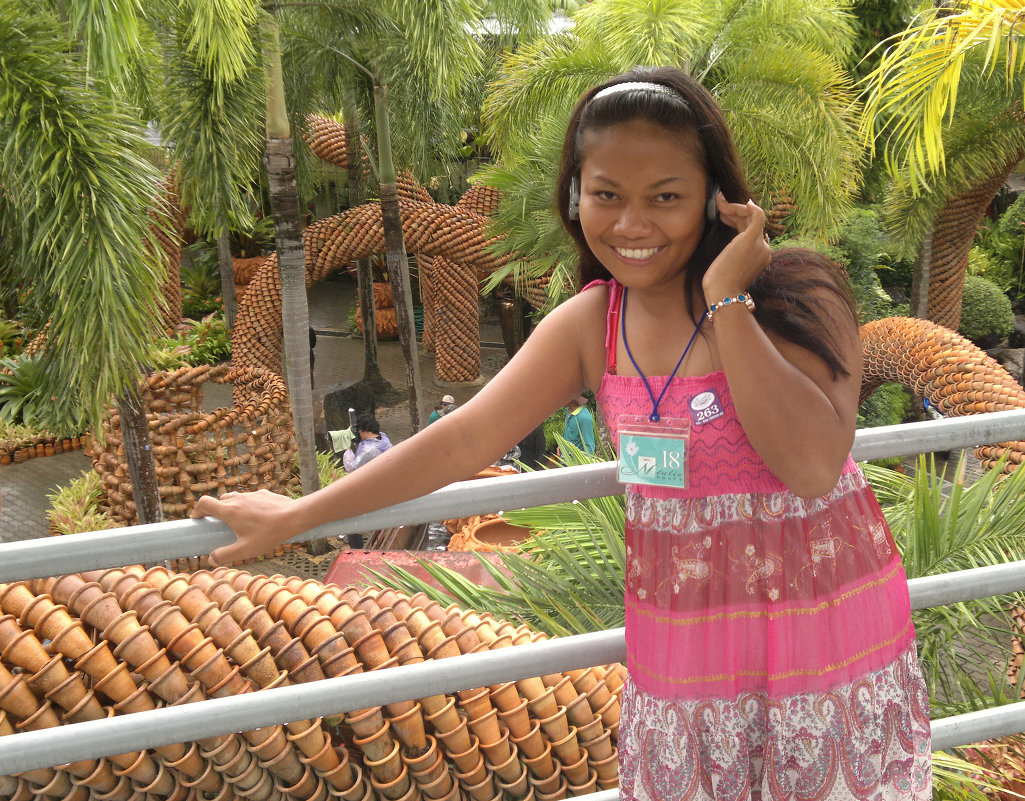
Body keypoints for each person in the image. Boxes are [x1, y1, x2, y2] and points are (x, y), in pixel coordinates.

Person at [195, 67, 931, 797]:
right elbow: (460, 441)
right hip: (687, 662)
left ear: (714, 199)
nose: (631, 225)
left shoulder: (798, 293)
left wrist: (727, 300)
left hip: (828, 645)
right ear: (575, 197)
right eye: (606, 196)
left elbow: (809, 465)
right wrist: (298, 514)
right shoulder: (592, 323)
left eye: (665, 198)